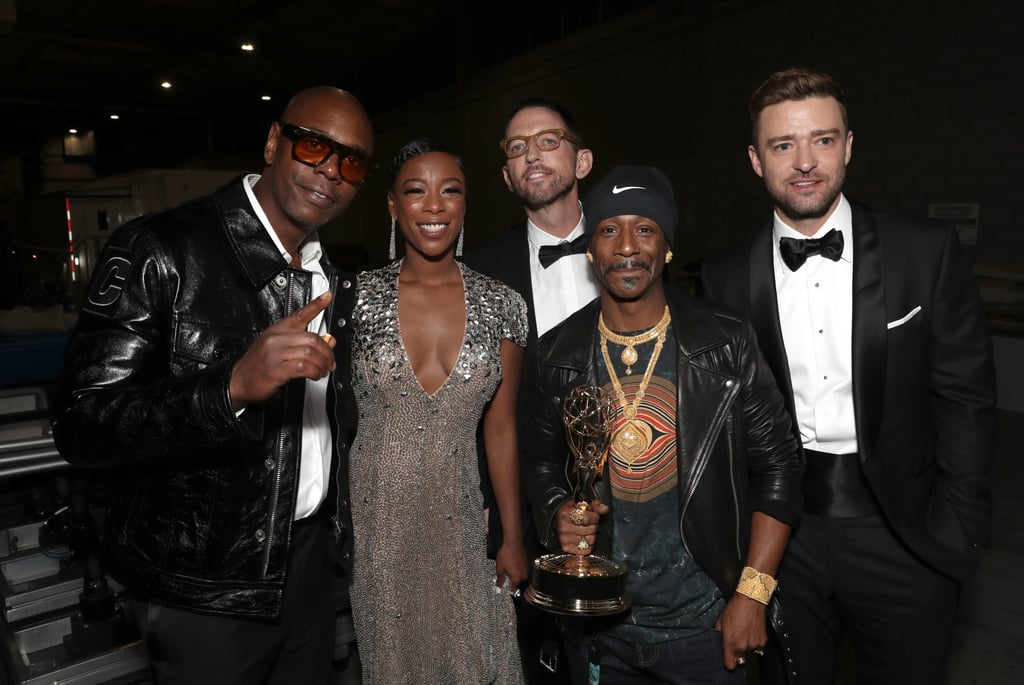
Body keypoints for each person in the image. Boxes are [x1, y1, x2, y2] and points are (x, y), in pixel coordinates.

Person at [50, 86, 374, 684]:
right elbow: (81, 421)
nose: (330, 170)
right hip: (202, 586)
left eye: (351, 161)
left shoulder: (330, 274)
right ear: (275, 142)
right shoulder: (161, 249)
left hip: (305, 568)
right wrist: (230, 388)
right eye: (313, 146)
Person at [700, 67, 998, 685]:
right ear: (756, 160)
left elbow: (965, 397)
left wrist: (960, 528)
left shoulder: (925, 250)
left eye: (824, 140)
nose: (805, 162)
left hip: (907, 533)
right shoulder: (725, 277)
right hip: (784, 535)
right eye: (784, 145)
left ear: (850, 146)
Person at [522, 163, 804, 684]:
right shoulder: (555, 355)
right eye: (608, 229)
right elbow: (539, 463)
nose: (627, 246)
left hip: (707, 628)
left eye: (645, 229)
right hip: (600, 630)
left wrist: (752, 594)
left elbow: (780, 468)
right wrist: (557, 510)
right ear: (590, 248)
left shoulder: (725, 342)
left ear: (668, 246)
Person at [347, 139, 529, 684]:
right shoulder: (351, 300)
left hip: (466, 530)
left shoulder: (503, 305)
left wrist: (514, 537)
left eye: (449, 191)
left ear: (466, 204)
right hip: (379, 529)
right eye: (415, 191)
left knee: (483, 662)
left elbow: (501, 431)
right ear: (392, 206)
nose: (433, 206)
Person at [463, 98, 598, 683]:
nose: (531, 155)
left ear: (582, 160)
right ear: (506, 175)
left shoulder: (634, 246)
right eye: (516, 148)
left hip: (638, 491)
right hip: (523, 508)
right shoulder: (478, 270)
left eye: (548, 140)